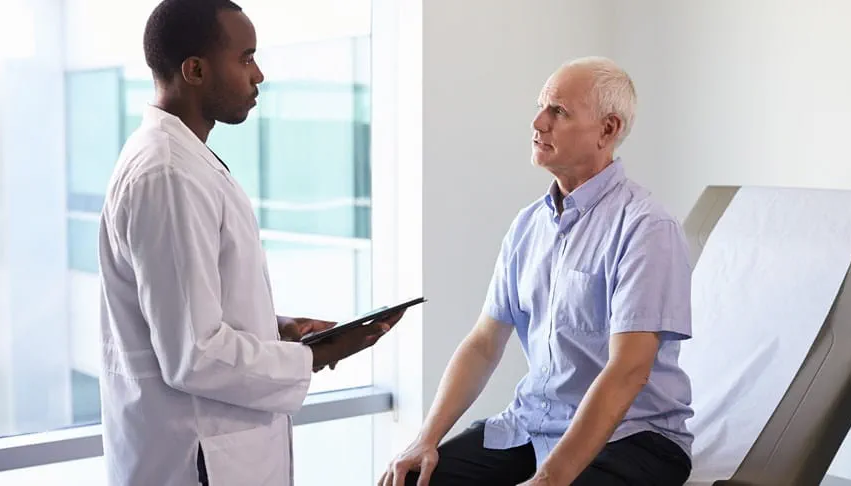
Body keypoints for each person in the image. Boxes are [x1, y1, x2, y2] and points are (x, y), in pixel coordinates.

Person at [96, 1, 403, 485]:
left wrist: (274, 327)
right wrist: (319, 354)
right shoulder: (170, 174)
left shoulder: (183, 160)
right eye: (245, 58)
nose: (258, 74)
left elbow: (184, 312)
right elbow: (194, 355)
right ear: (194, 70)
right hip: (197, 459)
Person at [380, 57, 694, 486]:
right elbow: (483, 344)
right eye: (541, 106)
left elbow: (628, 371)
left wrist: (550, 478)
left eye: (559, 112)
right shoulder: (528, 225)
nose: (537, 122)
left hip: (634, 439)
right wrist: (426, 438)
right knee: (412, 478)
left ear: (608, 129)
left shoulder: (646, 228)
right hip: (533, 425)